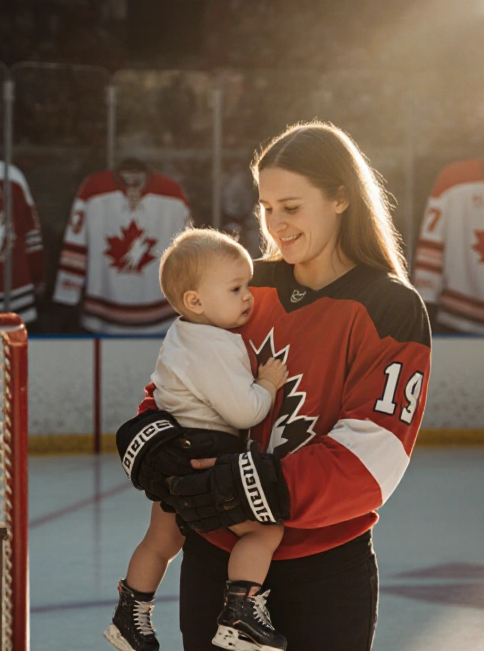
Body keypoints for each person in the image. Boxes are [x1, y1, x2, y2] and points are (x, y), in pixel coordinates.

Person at [117, 121, 432, 651]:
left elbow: (374, 456)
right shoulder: (244, 287)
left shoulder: (390, 308)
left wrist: (261, 487)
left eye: (291, 207)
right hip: (217, 557)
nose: (275, 224)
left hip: (325, 572)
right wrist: (155, 437)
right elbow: (180, 382)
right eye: (266, 208)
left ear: (340, 199)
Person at [108, 228, 291, 651]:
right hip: (206, 455)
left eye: (246, 285)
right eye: (235, 288)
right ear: (196, 301)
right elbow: (244, 411)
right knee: (264, 532)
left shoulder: (181, 334)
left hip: (173, 451)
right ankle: (240, 614)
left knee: (161, 541)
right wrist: (266, 382)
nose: (248, 296)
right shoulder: (214, 345)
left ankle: (129, 615)